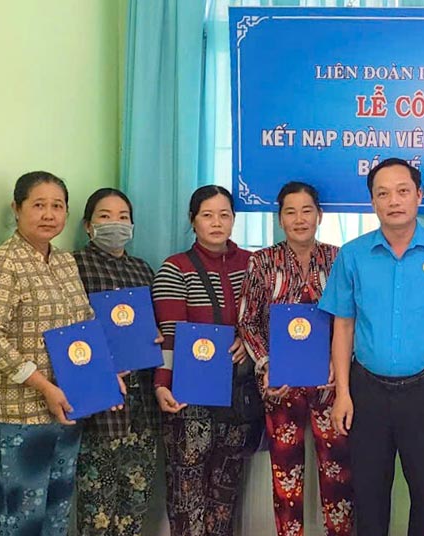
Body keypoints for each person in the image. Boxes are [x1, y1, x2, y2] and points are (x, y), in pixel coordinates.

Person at [319, 158, 424, 536]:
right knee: (370, 494)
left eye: (403, 191)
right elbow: (343, 325)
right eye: (383, 193)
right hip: (367, 391)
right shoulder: (353, 255)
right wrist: (343, 393)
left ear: (419, 196)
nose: (394, 201)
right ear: (372, 202)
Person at [0, 171, 94, 535]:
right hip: (16, 415)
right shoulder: (3, 264)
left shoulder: (64, 262)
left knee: (56, 514)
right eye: (38, 205)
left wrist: (104, 374)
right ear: (17, 208)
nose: (48, 214)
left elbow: (83, 324)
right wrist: (43, 385)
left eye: (57, 206)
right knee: (22, 521)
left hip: (66, 409)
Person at [237, 181, 354, 536]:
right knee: (286, 479)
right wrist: (266, 363)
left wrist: (341, 362)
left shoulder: (338, 259)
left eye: (307, 211)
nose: (299, 219)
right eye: (290, 211)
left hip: (330, 384)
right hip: (280, 383)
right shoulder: (262, 261)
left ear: (319, 215)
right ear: (280, 218)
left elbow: (351, 318)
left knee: (338, 476)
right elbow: (248, 319)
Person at [151, 185, 259, 536]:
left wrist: (248, 339)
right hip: (188, 397)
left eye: (224, 214)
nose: (217, 222)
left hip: (237, 394)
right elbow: (168, 334)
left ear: (234, 219)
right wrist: (161, 383)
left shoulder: (253, 264)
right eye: (207, 215)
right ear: (193, 220)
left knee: (225, 492)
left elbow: (262, 321)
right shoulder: (175, 268)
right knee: (187, 492)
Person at [73, 188, 162, 535]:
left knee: (135, 500)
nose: (116, 224)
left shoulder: (142, 269)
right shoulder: (75, 266)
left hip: (142, 403)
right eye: (105, 217)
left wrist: (153, 335)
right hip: (101, 401)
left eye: (123, 217)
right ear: (88, 225)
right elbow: (67, 332)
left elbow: (152, 325)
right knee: (97, 504)